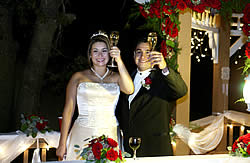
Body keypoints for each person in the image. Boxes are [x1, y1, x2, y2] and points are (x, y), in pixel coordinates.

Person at [56, 30, 134, 160]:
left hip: (110, 133)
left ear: (110, 53)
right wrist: (62, 143)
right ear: (90, 55)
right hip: (82, 132)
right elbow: (68, 110)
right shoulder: (78, 77)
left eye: (104, 50)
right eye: (95, 51)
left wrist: (119, 60)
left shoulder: (116, 77)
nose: (100, 55)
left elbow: (129, 89)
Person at [116, 35, 188, 157]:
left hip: (155, 150)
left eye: (148, 53)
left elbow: (181, 90)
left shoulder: (163, 79)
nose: (143, 57)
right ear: (134, 55)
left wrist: (164, 67)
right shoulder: (125, 79)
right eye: (139, 52)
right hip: (129, 150)